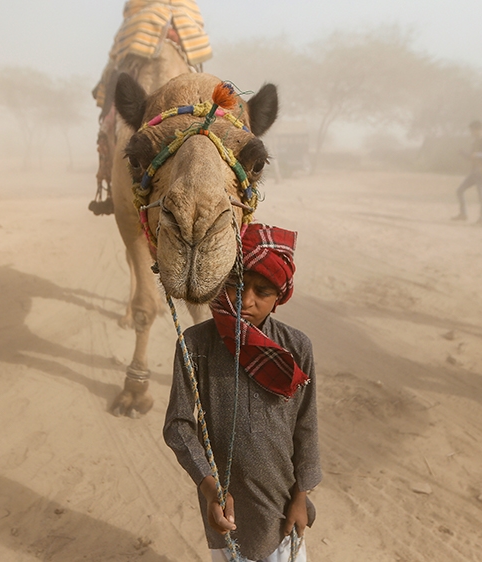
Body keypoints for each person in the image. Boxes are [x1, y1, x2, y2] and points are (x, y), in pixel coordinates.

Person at [164, 223, 321, 562]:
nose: (245, 300)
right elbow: (178, 425)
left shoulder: (296, 346)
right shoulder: (196, 344)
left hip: (282, 506)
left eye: (262, 291)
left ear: (279, 296)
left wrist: (300, 495)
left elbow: (305, 426)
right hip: (225, 508)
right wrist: (210, 489)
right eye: (236, 284)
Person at [90, 0, 212, 215]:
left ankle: (109, 173)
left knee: (113, 84)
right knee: (203, 94)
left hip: (146, 24)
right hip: (182, 24)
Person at [452, 120, 482, 226]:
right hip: (475, 172)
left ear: (477, 129)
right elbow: (472, 157)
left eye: (472, 130)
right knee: (460, 191)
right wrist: (463, 154)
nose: (471, 132)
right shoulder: (476, 141)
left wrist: (478, 155)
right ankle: (463, 214)